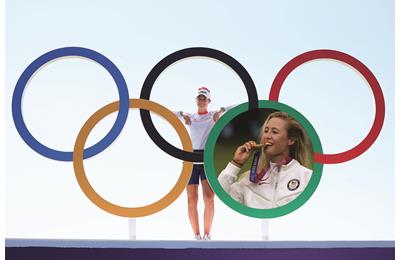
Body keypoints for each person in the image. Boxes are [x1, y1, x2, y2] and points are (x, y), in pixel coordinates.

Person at [218, 111, 313, 209]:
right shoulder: (248, 180)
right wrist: (235, 164)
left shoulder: (307, 177)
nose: (267, 136)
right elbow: (218, 200)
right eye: (266, 131)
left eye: (274, 132)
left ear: (291, 140)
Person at [175, 87, 232, 240]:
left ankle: (207, 234)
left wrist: (222, 110)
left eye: (204, 98)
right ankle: (196, 235)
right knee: (192, 199)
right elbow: (165, 113)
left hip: (206, 160)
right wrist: (182, 114)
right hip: (191, 159)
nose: (201, 100)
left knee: (209, 197)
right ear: (196, 100)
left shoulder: (213, 115)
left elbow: (237, 108)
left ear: (209, 101)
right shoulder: (191, 117)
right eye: (199, 98)